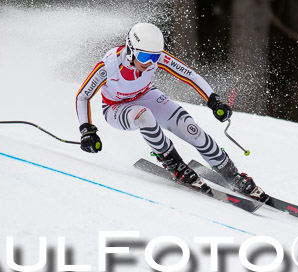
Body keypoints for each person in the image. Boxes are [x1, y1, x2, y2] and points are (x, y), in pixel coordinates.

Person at [75, 22, 266, 200]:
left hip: (145, 95)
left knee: (190, 128)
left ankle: (232, 175)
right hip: (115, 107)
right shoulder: (110, 65)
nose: (150, 63)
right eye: (144, 57)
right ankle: (174, 164)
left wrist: (213, 101)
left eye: (155, 57)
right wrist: (87, 130)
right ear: (130, 50)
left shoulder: (154, 57)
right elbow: (83, 96)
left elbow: (189, 74)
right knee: (144, 116)